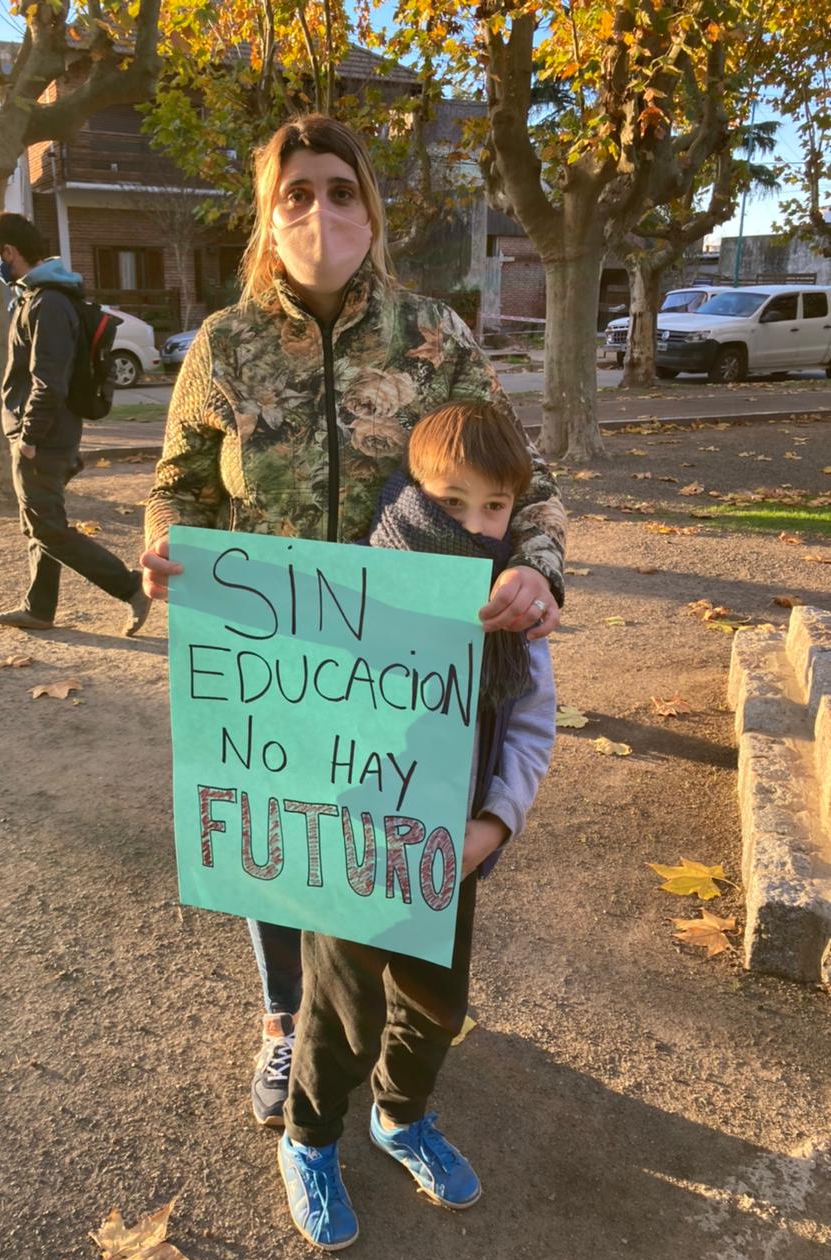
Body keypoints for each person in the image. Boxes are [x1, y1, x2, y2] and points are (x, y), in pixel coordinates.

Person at [140, 115, 566, 1127]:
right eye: (296, 194)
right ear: (267, 214)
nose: (320, 212)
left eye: (340, 190)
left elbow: (527, 476)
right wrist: (163, 544)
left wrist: (537, 569)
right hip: (269, 653)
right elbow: (179, 482)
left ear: (369, 209)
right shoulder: (225, 345)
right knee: (278, 840)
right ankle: (286, 1020)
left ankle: (387, 1024)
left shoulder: (434, 336)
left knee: (388, 842)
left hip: (408, 660)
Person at [272, 398, 557, 1248]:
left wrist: (493, 827)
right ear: (411, 491)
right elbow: (290, 692)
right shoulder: (350, 585)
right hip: (352, 849)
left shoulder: (515, 606)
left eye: (495, 506)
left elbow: (532, 726)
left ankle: (399, 1117)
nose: (475, 523)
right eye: (452, 500)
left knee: (436, 1006)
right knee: (341, 1012)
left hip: (449, 851)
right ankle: (309, 1138)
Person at [0, 211, 150, 637]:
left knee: (46, 526)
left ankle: (130, 587)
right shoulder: (38, 297)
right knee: (39, 521)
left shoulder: (48, 303)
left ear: (9, 252)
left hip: (43, 436)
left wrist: (29, 437)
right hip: (47, 431)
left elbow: (48, 380)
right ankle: (39, 608)